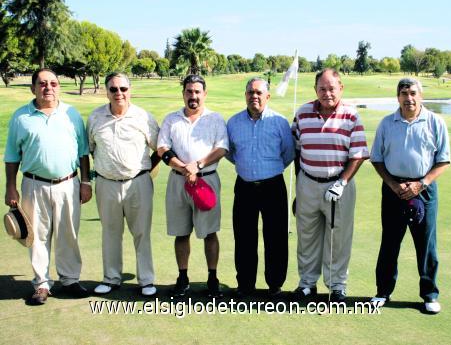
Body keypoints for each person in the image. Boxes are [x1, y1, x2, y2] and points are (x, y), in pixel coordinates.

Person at [4, 68, 92, 305]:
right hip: (33, 184)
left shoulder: (71, 114)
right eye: (42, 84)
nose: (48, 88)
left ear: (58, 87)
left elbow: (83, 152)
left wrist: (85, 182)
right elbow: (12, 156)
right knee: (38, 236)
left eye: (53, 83)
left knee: (68, 234)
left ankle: (70, 279)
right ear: (33, 88)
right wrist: (10, 187)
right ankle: (42, 283)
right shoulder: (21, 116)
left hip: (68, 183)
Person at [370, 78, 450, 314]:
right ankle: (383, 291)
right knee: (390, 243)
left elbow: (443, 160)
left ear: (421, 95)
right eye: (403, 93)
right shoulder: (387, 123)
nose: (409, 98)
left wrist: (421, 184)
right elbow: (377, 159)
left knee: (426, 244)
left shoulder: (435, 122)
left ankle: (429, 294)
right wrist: (393, 184)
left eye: (413, 93)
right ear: (398, 97)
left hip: (424, 190)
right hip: (393, 188)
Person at [292, 69, 369, 302]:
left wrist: (342, 182)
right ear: (315, 90)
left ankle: (337, 285)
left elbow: (358, 155)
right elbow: (297, 151)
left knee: (339, 237)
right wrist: (299, 188)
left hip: (339, 184)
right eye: (322, 89)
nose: (327, 93)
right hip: (308, 182)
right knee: (306, 236)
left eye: (332, 88)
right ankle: (307, 284)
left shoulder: (351, 116)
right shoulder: (303, 113)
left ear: (341, 88)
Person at [87, 72, 160, 297]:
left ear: (130, 91)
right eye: (113, 89)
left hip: (138, 182)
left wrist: (146, 168)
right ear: (106, 91)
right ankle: (111, 278)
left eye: (123, 89)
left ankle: (146, 280)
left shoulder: (144, 117)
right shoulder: (95, 117)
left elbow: (159, 148)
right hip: (106, 184)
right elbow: (90, 149)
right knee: (110, 232)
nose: (119, 93)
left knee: (141, 233)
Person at [157, 74, 228, 298]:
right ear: (183, 93)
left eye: (197, 92)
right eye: (189, 91)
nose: (193, 96)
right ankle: (183, 277)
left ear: (204, 94)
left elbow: (221, 149)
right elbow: (162, 149)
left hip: (207, 180)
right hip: (178, 181)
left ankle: (212, 277)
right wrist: (184, 168)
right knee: (181, 232)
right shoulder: (171, 119)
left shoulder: (215, 118)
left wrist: (197, 165)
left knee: (210, 233)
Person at [226, 77, 295, 297]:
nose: (254, 96)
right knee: (244, 237)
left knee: (276, 237)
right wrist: (247, 166)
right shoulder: (234, 122)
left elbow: (288, 153)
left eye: (258, 93)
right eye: (250, 92)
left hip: (273, 185)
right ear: (245, 95)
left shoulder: (280, 122)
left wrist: (270, 169)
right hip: (244, 186)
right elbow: (230, 152)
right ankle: (245, 284)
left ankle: (275, 284)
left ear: (267, 96)